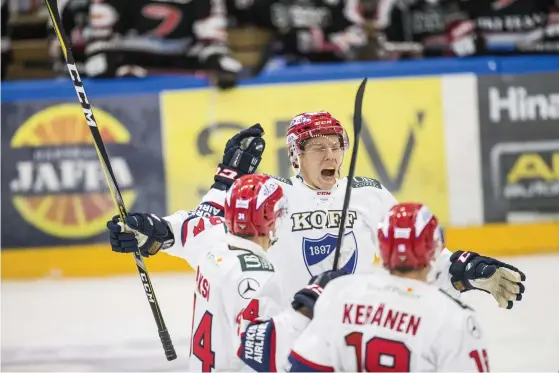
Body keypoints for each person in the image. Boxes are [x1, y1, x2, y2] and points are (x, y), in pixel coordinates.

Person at [109, 112, 525, 314]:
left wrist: (466, 271)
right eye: (317, 147)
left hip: (353, 325)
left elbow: (415, 256)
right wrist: (155, 230)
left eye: (336, 145)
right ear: (296, 157)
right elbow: (207, 232)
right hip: (289, 329)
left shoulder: (369, 194)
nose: (331, 154)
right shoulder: (271, 196)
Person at [287, 202, 491, 372]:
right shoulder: (454, 318)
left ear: (383, 249)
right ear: (434, 249)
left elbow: (301, 367)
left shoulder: (340, 294)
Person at [84, 0, 241, 88]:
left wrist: (217, 61)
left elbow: (210, 39)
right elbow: (101, 36)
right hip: (127, 67)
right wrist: (101, 57)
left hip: (180, 67)